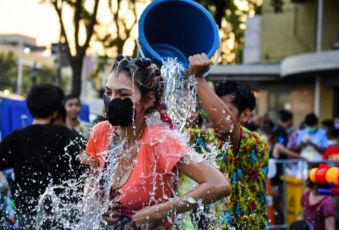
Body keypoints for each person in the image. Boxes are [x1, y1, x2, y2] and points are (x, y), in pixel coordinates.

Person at [83, 56, 231, 229]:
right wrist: (101, 209)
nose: (112, 100)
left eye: (123, 94)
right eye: (108, 92)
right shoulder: (102, 132)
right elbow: (91, 190)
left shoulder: (160, 140)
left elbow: (219, 184)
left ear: (148, 100)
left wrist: (160, 211)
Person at [0, 84, 86, 229]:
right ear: (56, 110)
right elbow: (89, 159)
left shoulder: (16, 138)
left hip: (29, 213)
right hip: (62, 211)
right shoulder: (65, 134)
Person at [188, 53, 269, 228]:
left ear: (246, 115)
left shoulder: (257, 143)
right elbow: (169, 137)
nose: (214, 113)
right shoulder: (207, 137)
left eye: (226, 109)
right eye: (214, 106)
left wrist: (199, 79)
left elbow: (227, 126)